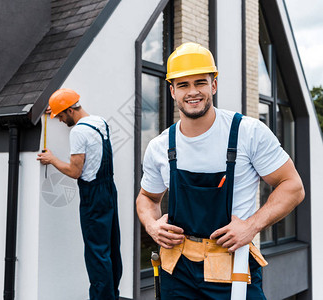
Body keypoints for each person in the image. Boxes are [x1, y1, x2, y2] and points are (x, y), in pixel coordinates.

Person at [136, 42, 305, 299]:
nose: (193, 92)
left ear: (213, 85)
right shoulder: (160, 146)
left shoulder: (247, 133)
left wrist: (251, 226)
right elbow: (147, 197)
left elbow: (292, 186)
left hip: (231, 266)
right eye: (183, 85)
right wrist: (151, 224)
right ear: (172, 91)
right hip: (177, 271)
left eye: (200, 83)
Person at [37, 88, 123, 300]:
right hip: (109, 191)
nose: (59, 121)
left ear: (69, 110)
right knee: (111, 248)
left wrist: (52, 159)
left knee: (96, 254)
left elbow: (75, 172)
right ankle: (111, 295)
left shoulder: (78, 132)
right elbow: (89, 141)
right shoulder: (100, 122)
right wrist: (57, 108)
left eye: (60, 116)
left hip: (93, 195)